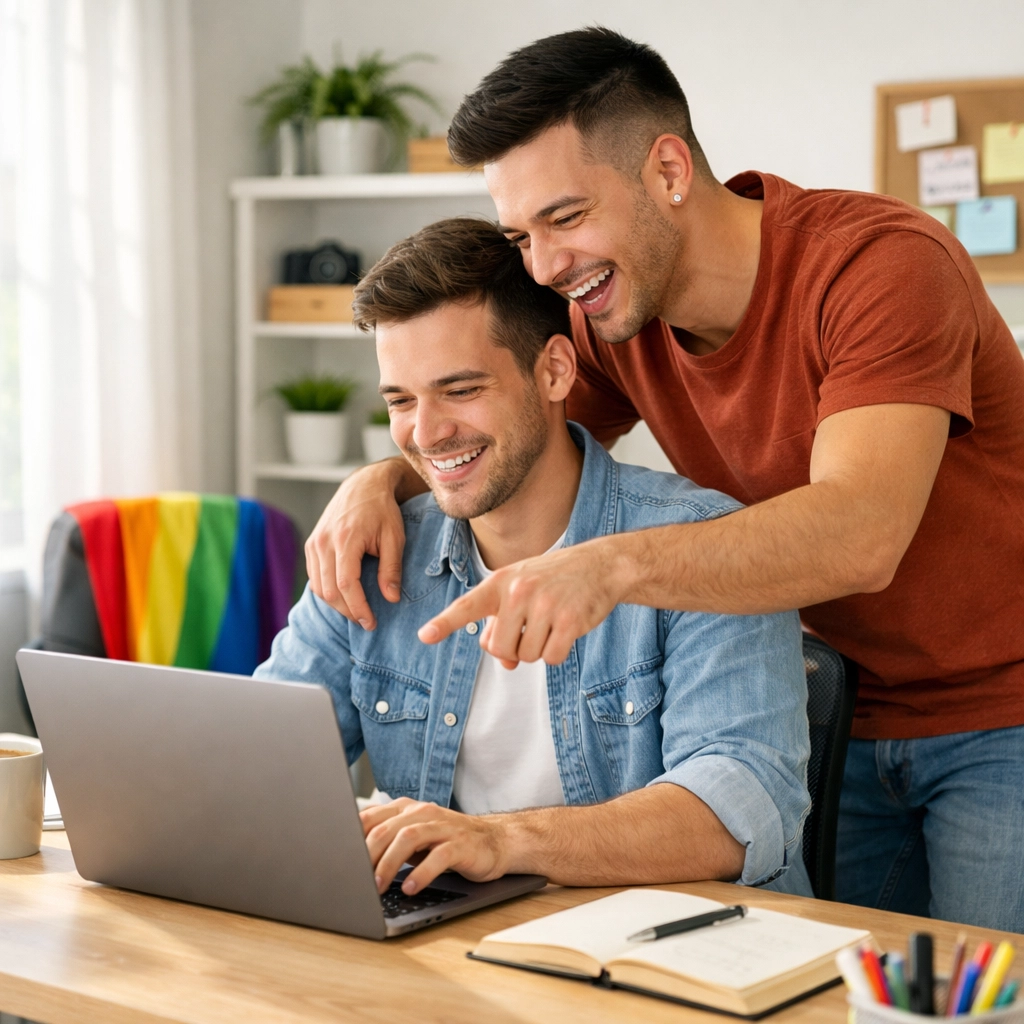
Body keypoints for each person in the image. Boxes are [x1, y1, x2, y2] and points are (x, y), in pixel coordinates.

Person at [304, 29, 1024, 931]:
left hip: (1000, 708)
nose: (545, 267)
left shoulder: (879, 268)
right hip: (841, 718)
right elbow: (511, 434)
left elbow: (862, 532)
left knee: (985, 999)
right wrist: (378, 479)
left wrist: (606, 568)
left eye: (566, 218)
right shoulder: (613, 318)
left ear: (670, 171)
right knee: (866, 998)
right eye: (520, 235)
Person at [256, 218, 812, 900]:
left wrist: (500, 841)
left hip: (655, 955)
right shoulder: (372, 551)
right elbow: (264, 754)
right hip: (448, 949)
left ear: (554, 370)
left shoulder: (704, 544)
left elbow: (738, 810)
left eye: (460, 391)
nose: (426, 434)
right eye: (401, 400)